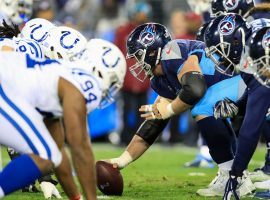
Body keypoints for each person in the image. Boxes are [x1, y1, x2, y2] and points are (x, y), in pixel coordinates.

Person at [106, 22, 254, 197]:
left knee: (202, 106)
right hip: (233, 90)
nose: (138, 62)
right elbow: (154, 123)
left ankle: (235, 176)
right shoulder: (159, 80)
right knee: (204, 105)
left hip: (247, 84)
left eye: (138, 55)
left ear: (153, 50)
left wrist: (169, 109)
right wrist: (123, 160)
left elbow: (195, 89)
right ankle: (232, 173)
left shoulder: (171, 52)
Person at [0, 38, 126, 199]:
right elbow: (79, 147)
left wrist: (76, 197)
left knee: (50, 152)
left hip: (6, 84)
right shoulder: (87, 83)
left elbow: (58, 152)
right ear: (102, 71)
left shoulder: (59, 75)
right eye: (113, 81)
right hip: (4, 87)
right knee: (45, 154)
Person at [203, 13, 270, 199]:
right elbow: (255, 99)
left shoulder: (257, 52)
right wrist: (238, 104)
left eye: (220, 50)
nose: (220, 58)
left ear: (234, 41)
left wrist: (236, 172)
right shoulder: (254, 37)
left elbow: (251, 126)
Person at [114, 2, 152, 145]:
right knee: (126, 110)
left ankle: (140, 138)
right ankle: (124, 137)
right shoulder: (123, 31)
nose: (142, 16)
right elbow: (117, 53)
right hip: (127, 77)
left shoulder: (150, 31)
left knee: (141, 112)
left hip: (143, 76)